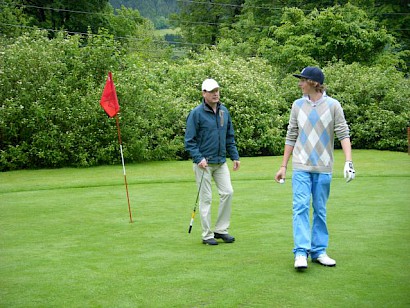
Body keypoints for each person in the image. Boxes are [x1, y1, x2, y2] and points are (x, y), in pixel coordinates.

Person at [274, 66, 355, 270]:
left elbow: (343, 133)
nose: (300, 84)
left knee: (320, 210)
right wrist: (283, 165)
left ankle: (319, 251)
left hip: (324, 167)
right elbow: (291, 134)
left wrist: (348, 161)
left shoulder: (333, 105)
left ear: (314, 83)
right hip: (301, 165)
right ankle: (301, 252)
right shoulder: (297, 105)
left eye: (302, 80)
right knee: (300, 207)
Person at [185, 78, 240, 245]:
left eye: (217, 90)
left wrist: (235, 156)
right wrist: (198, 158)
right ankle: (207, 234)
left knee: (228, 192)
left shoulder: (224, 111)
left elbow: (229, 136)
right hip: (204, 163)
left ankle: (221, 230)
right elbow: (189, 140)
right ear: (204, 93)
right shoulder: (196, 113)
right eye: (211, 91)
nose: (215, 93)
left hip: (221, 161)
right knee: (206, 198)